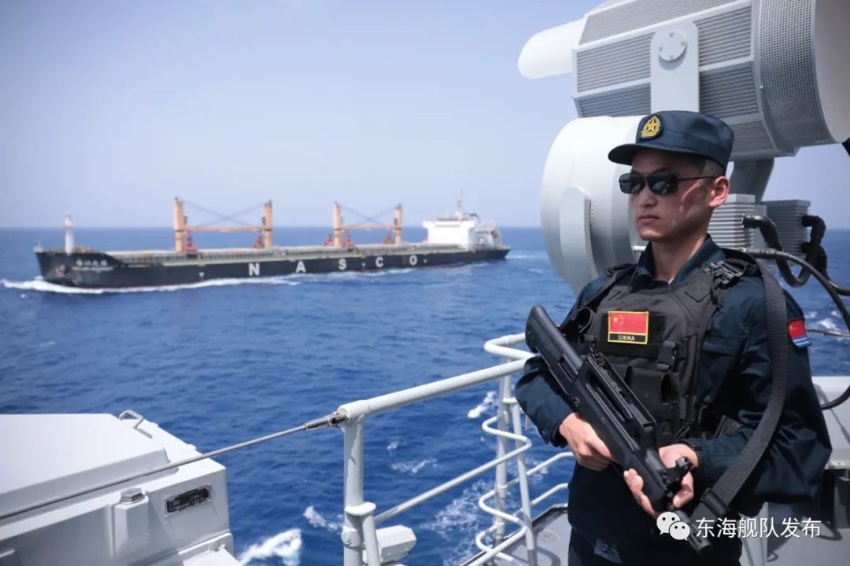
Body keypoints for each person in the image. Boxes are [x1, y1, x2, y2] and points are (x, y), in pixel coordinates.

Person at [515, 110, 832, 565]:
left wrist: (699, 458)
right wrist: (569, 424)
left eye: (663, 182)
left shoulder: (753, 306)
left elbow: (797, 449)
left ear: (716, 191)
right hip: (590, 543)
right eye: (634, 183)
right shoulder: (604, 293)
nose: (644, 197)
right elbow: (537, 376)